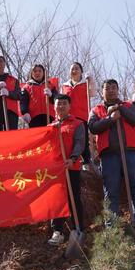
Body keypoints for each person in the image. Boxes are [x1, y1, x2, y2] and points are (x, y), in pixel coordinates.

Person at [89, 79, 135, 244]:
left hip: (131, 152)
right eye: (107, 88)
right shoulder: (96, 109)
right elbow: (93, 127)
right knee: (111, 193)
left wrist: (120, 108)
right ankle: (112, 228)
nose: (110, 90)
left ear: (118, 90)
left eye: (114, 88)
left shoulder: (128, 105)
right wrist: (110, 118)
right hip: (109, 155)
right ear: (102, 91)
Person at [47, 95, 85, 245]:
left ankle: (78, 228)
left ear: (69, 106)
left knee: (74, 197)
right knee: (56, 200)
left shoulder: (77, 124)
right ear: (54, 107)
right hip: (55, 171)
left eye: (64, 104)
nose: (61, 106)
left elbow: (79, 143)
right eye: (58, 104)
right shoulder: (50, 126)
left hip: (72, 166)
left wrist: (73, 158)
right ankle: (57, 231)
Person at [61, 62, 96, 167]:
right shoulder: (64, 86)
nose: (74, 71)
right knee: (70, 140)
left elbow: (93, 93)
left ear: (81, 71)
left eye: (77, 68)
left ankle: (86, 162)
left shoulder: (85, 83)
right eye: (72, 69)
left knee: (83, 140)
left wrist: (91, 81)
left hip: (82, 116)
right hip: (69, 117)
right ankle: (71, 160)